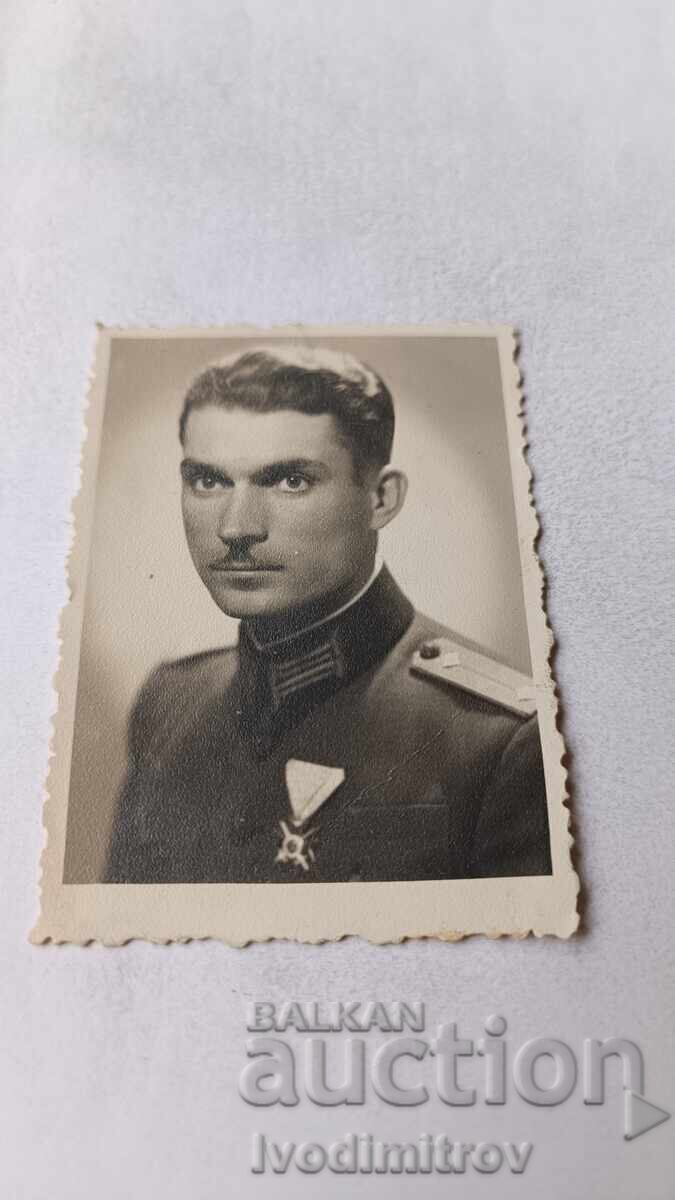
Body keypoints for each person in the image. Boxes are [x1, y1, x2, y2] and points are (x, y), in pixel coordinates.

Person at [106, 345, 551, 883]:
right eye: (209, 481)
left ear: (381, 500)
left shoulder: (504, 739)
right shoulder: (169, 706)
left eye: (290, 481)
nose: (236, 527)